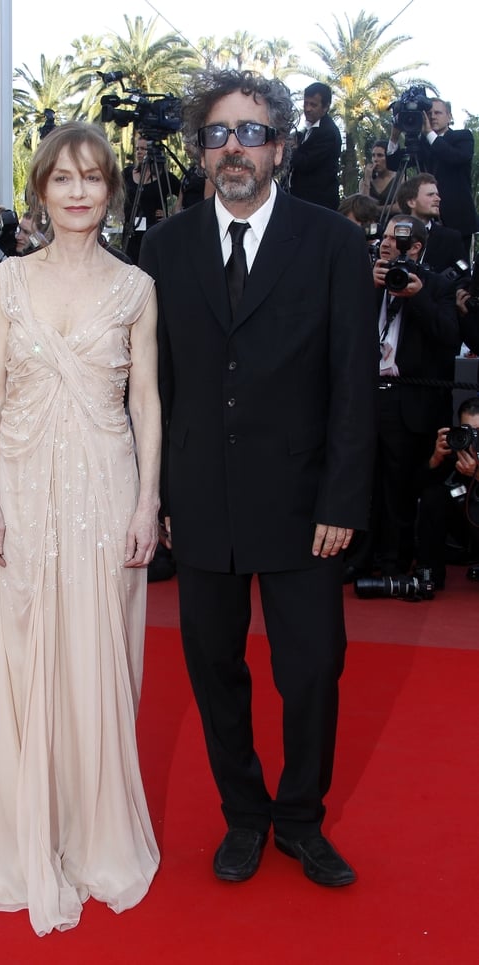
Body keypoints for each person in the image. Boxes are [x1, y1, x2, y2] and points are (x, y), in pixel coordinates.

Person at [140, 69, 379, 888]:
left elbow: (354, 381)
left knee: (312, 667)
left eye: (249, 131)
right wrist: (160, 494)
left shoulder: (334, 242)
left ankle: (301, 818)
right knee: (214, 666)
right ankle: (243, 815)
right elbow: (156, 385)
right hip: (201, 501)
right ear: (200, 151)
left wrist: (344, 496)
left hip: (306, 504)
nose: (232, 147)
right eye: (216, 133)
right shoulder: (165, 246)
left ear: (279, 145)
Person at [0, 122, 161, 935]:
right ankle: (25, 828)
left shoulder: (135, 287)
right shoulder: (10, 282)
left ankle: (92, 831)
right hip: (22, 483)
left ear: (111, 189)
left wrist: (147, 503)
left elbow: (148, 404)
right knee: (25, 650)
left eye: (92, 177)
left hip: (106, 485)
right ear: (40, 189)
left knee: (99, 651)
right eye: (62, 178)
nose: (77, 191)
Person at [346, 215, 459, 580]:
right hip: (366, 394)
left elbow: (447, 336)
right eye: (385, 237)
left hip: (408, 399)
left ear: (417, 247)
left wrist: (417, 295)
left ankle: (393, 562)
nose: (386, 243)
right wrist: (367, 288)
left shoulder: (437, 285)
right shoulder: (370, 281)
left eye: (396, 238)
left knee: (397, 487)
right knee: (362, 481)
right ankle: (358, 559)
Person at [387, 98, 478, 250]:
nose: (433, 117)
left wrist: (429, 133)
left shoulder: (463, 136)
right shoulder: (422, 144)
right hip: (427, 219)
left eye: (438, 112)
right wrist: (394, 136)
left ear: (449, 117)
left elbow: (454, 157)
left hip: (458, 219)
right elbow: (393, 164)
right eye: (429, 114)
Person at [414, 396, 479, 588]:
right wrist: (435, 459)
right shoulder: (456, 447)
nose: (474, 438)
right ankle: (430, 574)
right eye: (469, 431)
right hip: (464, 533)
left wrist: (476, 475)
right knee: (434, 496)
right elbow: (415, 490)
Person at [122, 133, 181, 263]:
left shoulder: (164, 177)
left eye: (143, 149)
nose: (139, 152)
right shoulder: (127, 173)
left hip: (154, 232)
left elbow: (185, 191)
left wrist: (172, 215)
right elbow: (114, 192)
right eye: (137, 148)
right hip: (131, 233)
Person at [395, 174, 467, 274]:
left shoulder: (451, 238)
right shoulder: (391, 235)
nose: (438, 199)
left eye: (437, 194)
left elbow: (464, 277)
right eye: (430, 194)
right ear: (411, 202)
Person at [288, 82, 342, 210]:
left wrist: (291, 148)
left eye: (313, 105)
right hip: (302, 201)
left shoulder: (327, 132)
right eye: (306, 103)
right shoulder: (309, 129)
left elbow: (305, 163)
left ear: (326, 107)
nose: (307, 109)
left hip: (317, 204)